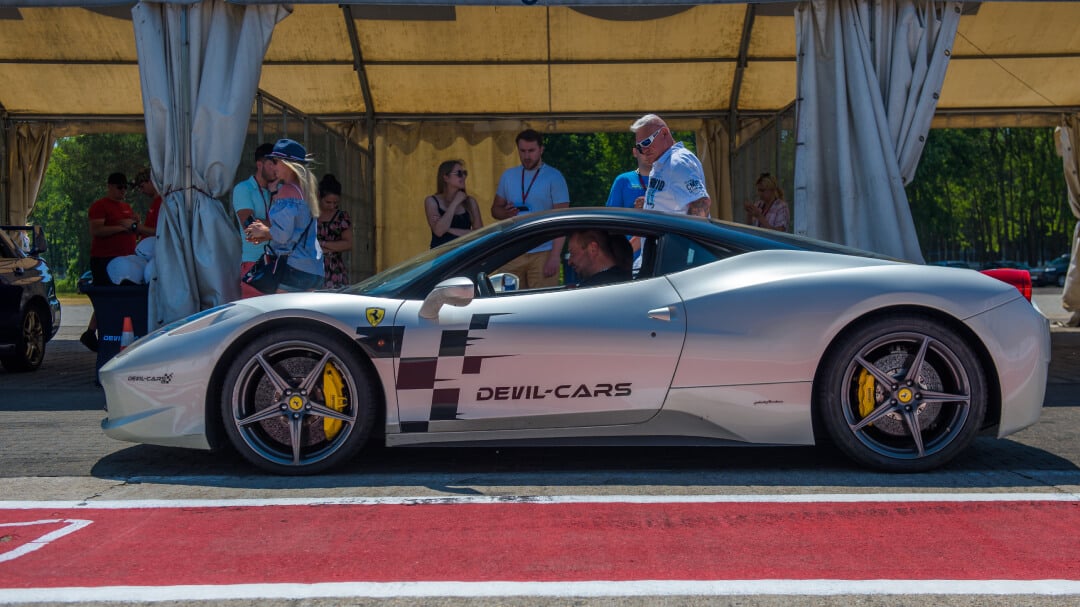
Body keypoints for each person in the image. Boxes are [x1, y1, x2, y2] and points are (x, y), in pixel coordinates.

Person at [490, 129, 570, 288]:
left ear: (541, 149)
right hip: (513, 250)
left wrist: (555, 256)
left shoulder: (554, 177)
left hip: (543, 252)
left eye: (531, 151)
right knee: (507, 302)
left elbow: (562, 219)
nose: (527, 156)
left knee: (542, 305)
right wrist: (505, 213)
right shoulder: (508, 175)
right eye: (523, 151)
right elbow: (495, 210)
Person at [244, 139, 324, 292]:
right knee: (303, 315)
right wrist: (265, 233)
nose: (273, 166)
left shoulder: (287, 190)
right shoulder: (305, 190)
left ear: (288, 164)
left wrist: (263, 232)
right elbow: (295, 231)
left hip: (292, 268)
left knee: (281, 314)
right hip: (313, 269)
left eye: (276, 161)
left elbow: (282, 235)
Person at [81, 171, 139, 351]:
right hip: (104, 259)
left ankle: (96, 331)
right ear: (110, 186)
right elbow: (97, 230)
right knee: (106, 297)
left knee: (119, 297)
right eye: (119, 187)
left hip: (125, 259)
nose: (123, 191)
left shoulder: (127, 207)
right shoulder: (100, 206)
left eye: (125, 187)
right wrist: (122, 228)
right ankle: (95, 332)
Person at [631, 114, 711, 217]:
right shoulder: (663, 163)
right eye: (639, 146)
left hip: (673, 233)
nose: (644, 150)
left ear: (664, 133)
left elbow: (701, 204)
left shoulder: (678, 163)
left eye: (647, 142)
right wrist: (650, 204)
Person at [234, 143, 277, 299]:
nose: (276, 168)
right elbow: (250, 227)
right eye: (272, 163)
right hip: (254, 263)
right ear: (259, 164)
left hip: (278, 264)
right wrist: (281, 231)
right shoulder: (243, 189)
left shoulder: (277, 191)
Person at [605, 146, 653, 268]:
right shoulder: (623, 180)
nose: (647, 154)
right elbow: (610, 222)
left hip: (659, 255)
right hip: (630, 258)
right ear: (635, 152)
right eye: (643, 150)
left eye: (651, 149)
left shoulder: (667, 179)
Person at [426, 160, 482, 249]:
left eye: (465, 173)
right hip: (442, 257)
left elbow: (480, 234)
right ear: (446, 178)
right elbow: (439, 231)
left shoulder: (470, 202)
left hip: (466, 255)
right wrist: (455, 203)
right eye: (459, 173)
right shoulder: (432, 201)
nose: (463, 176)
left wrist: (448, 229)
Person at [316, 173, 354, 289]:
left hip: (334, 271)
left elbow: (348, 244)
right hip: (313, 268)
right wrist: (332, 247)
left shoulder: (341, 217)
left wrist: (322, 245)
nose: (332, 206)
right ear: (318, 197)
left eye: (336, 203)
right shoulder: (310, 215)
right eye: (328, 202)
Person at [566, 229, 633, 288]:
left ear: (593, 249)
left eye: (572, 253)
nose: (569, 261)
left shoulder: (590, 290)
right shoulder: (626, 281)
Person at [132, 167, 162, 239]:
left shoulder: (162, 202)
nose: (142, 191)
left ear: (151, 181)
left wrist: (136, 226)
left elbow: (160, 232)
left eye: (142, 186)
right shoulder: (155, 202)